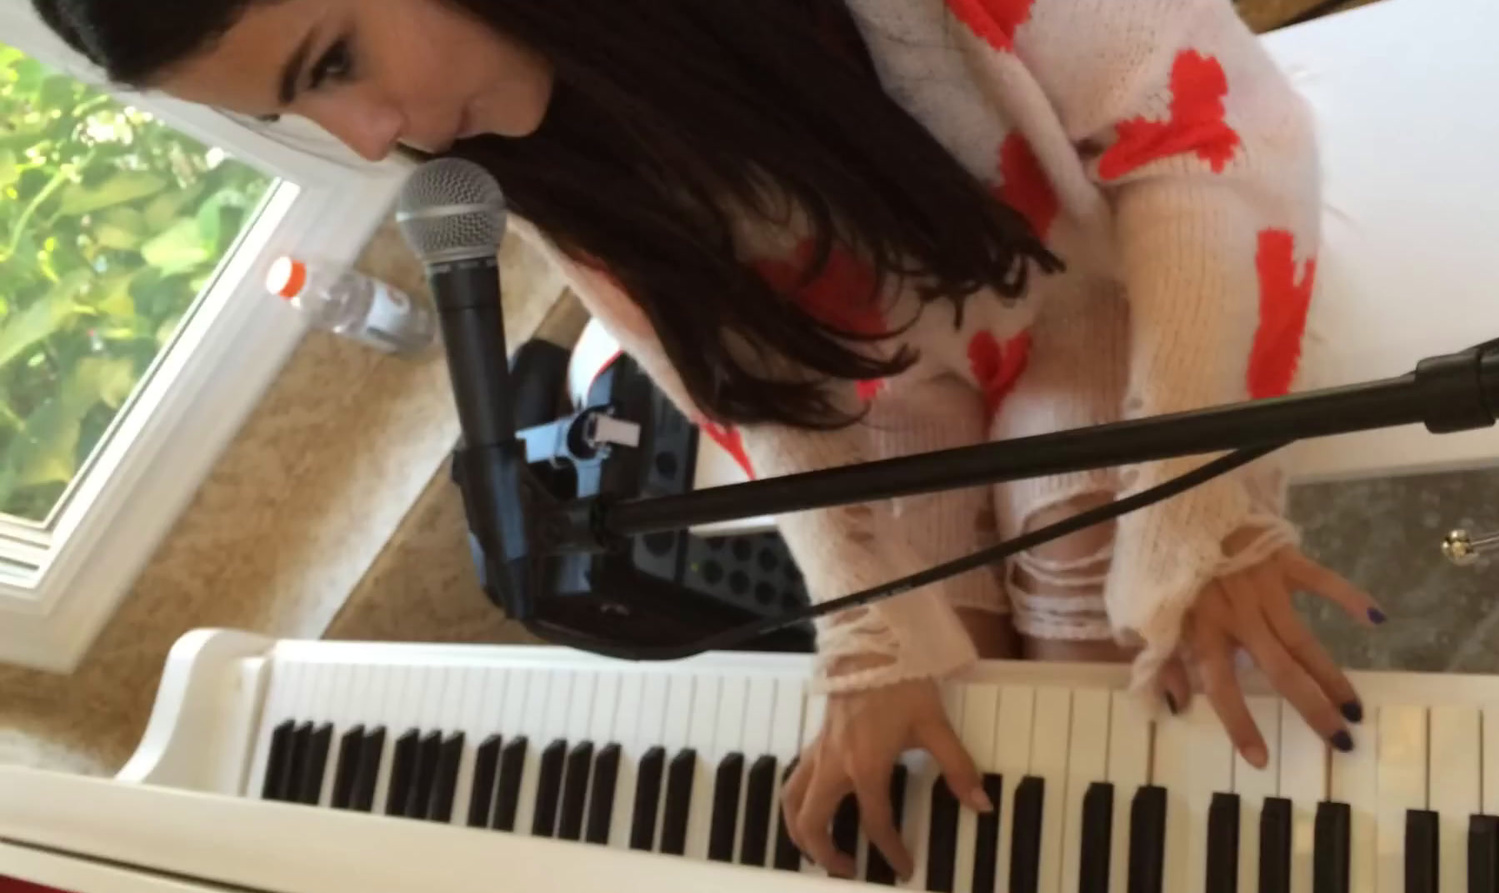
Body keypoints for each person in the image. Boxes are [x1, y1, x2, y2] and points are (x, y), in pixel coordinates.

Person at [36, 0, 1385, 878]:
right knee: (943, 768)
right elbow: (749, 391)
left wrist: (1198, 508)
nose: (372, 139)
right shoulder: (547, 138)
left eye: (334, 61)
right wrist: (867, 631)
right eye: (300, 114)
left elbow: (1207, 133)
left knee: (1092, 631)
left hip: (1117, 268)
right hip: (909, 388)